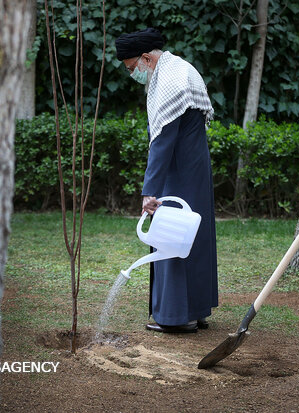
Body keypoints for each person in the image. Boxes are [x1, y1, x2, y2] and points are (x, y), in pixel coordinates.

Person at [115, 28, 218, 334]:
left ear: (146, 58)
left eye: (133, 68)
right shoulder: (180, 68)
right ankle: (197, 311)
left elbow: (162, 141)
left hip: (177, 172)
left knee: (171, 237)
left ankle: (177, 317)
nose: (134, 74)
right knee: (194, 236)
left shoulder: (169, 81)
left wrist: (150, 191)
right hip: (195, 170)